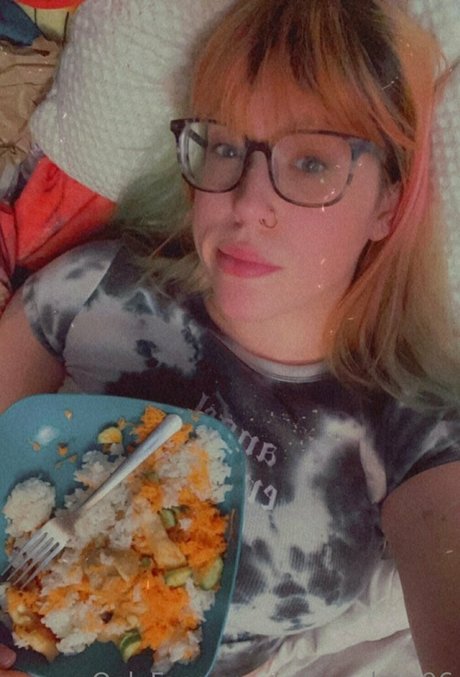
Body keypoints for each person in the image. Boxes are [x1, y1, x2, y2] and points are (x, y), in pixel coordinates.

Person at [0, 0, 460, 674]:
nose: (246, 204)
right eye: (224, 148)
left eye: (311, 163)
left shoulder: (409, 424)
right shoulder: (96, 288)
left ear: (387, 204)